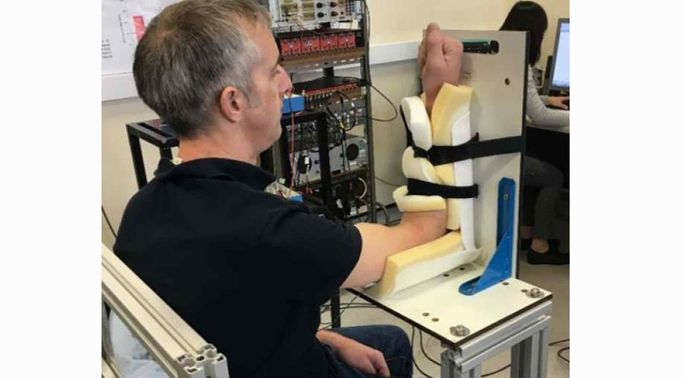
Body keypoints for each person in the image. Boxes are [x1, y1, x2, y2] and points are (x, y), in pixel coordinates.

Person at [113, 0, 463, 377]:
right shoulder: (273, 232)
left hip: (246, 355)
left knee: (383, 339)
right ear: (234, 102)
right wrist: (437, 96)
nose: (286, 83)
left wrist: (319, 337)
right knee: (393, 345)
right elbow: (422, 230)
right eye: (273, 70)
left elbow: (220, 314)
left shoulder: (142, 210)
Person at [500, 1, 569, 265]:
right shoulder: (520, 60)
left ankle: (527, 233)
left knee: (536, 162)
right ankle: (540, 247)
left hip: (493, 146)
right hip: (508, 151)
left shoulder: (500, 52)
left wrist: (544, 98)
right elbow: (540, 117)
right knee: (553, 176)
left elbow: (518, 97)